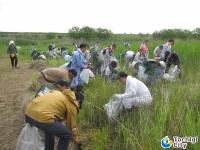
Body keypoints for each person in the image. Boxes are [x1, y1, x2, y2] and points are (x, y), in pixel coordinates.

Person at [25, 80, 81, 150]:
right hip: (42, 117)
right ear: (78, 101)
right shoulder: (72, 104)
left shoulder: (56, 92)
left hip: (29, 112)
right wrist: (75, 140)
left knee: (50, 132)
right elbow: (72, 127)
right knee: (66, 134)